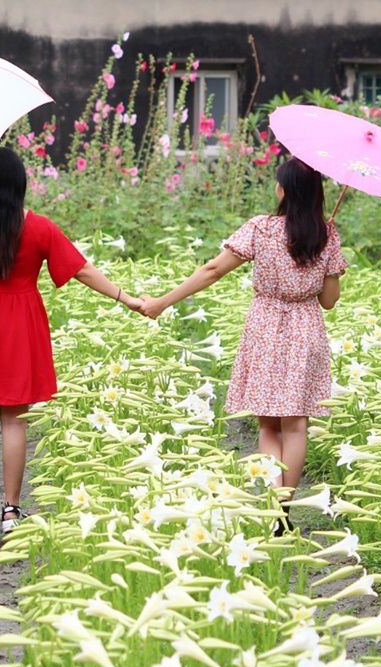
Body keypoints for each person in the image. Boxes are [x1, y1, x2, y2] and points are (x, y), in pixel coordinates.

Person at [138, 157, 349, 535]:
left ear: (284, 190)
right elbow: (329, 301)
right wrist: (329, 260)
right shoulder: (327, 236)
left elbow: (212, 270)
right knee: (296, 424)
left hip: (266, 325)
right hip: (306, 328)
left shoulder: (261, 229)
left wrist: (162, 301)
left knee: (268, 424)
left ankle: (273, 505)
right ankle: (286, 505)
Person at [0, 147, 142, 534]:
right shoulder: (40, 228)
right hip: (22, 324)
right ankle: (12, 511)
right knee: (16, 422)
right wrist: (125, 297)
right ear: (20, 184)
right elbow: (80, 269)